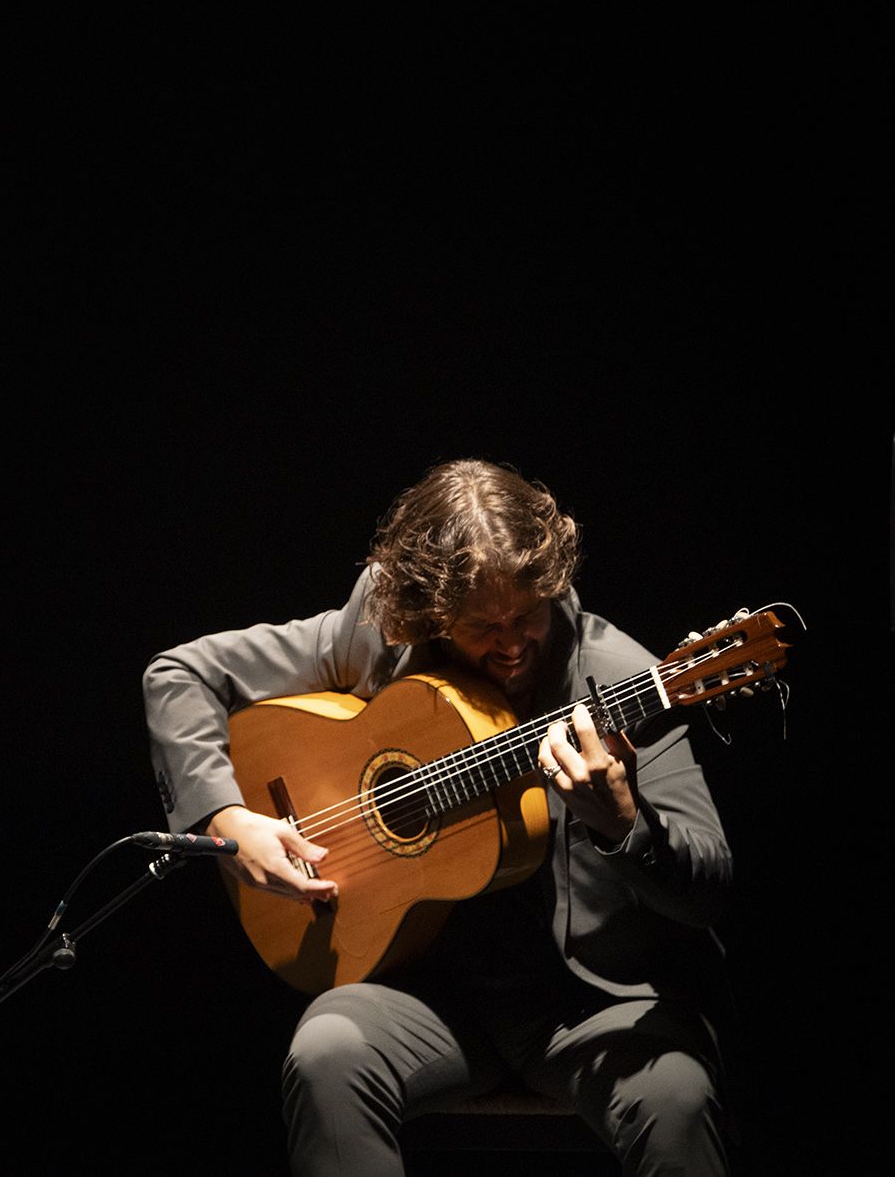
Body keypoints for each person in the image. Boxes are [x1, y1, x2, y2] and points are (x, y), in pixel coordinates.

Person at [143, 459, 731, 1175]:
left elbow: (709, 885)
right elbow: (180, 674)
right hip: (429, 993)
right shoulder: (386, 628)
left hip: (588, 1005)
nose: (512, 643)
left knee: (680, 1098)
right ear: (429, 610)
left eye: (528, 615)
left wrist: (623, 824)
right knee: (326, 1053)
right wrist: (228, 821)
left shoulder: (619, 683)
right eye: (482, 626)